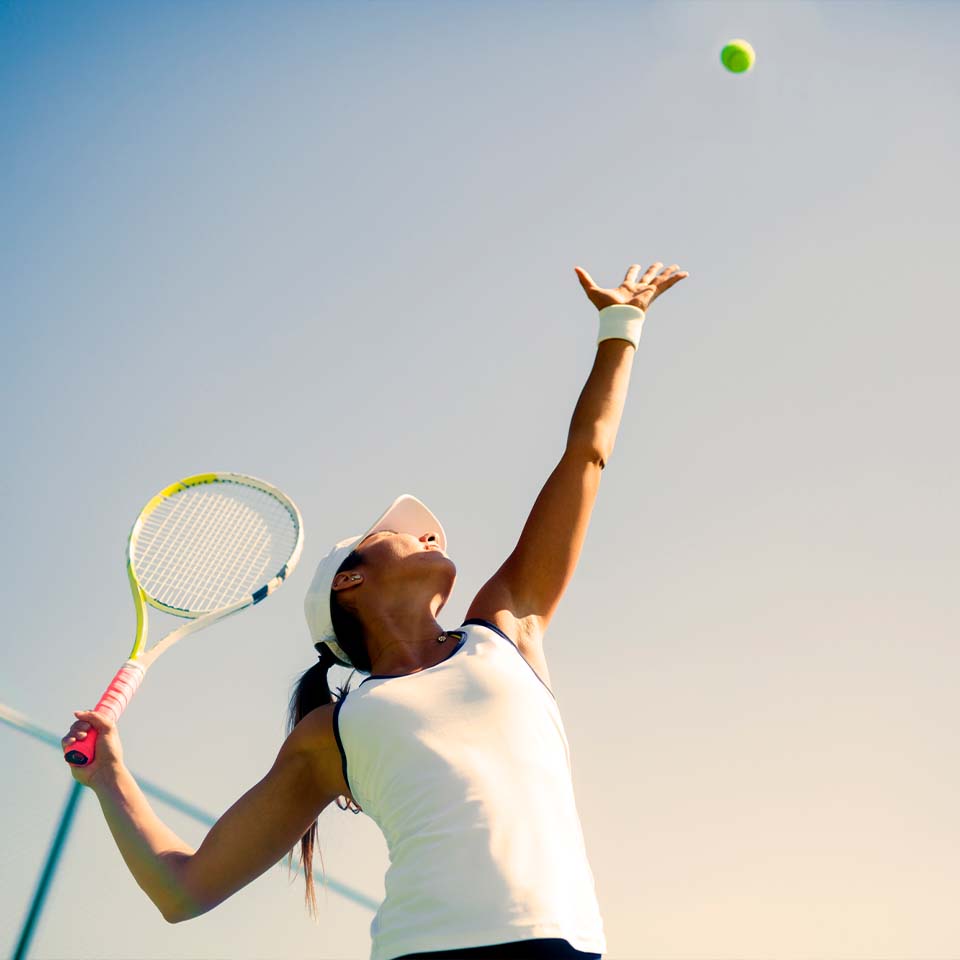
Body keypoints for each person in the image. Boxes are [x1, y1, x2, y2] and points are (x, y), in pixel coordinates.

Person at [64, 261, 689, 960]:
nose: (431, 534)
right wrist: (109, 777)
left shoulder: (507, 628)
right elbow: (183, 892)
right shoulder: (331, 732)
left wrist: (620, 328)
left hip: (566, 948)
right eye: (401, 532)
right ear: (349, 583)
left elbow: (586, 456)